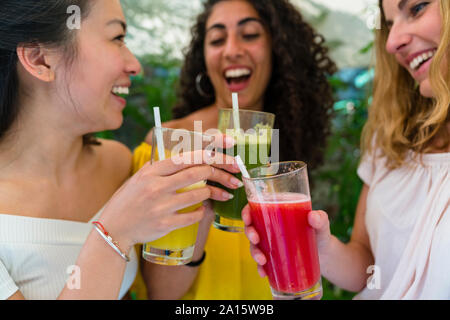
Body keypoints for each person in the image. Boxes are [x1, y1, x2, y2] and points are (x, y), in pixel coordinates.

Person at [0, 0, 241, 300]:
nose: (135, 65)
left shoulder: (116, 163)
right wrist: (113, 232)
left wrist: (199, 197)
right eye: (117, 38)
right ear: (40, 60)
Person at [244, 0, 450, 299]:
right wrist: (321, 247)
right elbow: (368, 269)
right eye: (389, 26)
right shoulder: (392, 139)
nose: (392, 42)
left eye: (417, 9)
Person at [137, 0, 336, 299]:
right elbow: (162, 293)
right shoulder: (168, 146)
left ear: (277, 51)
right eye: (217, 39)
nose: (231, 50)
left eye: (250, 34)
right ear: (202, 58)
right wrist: (202, 199)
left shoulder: (285, 145)